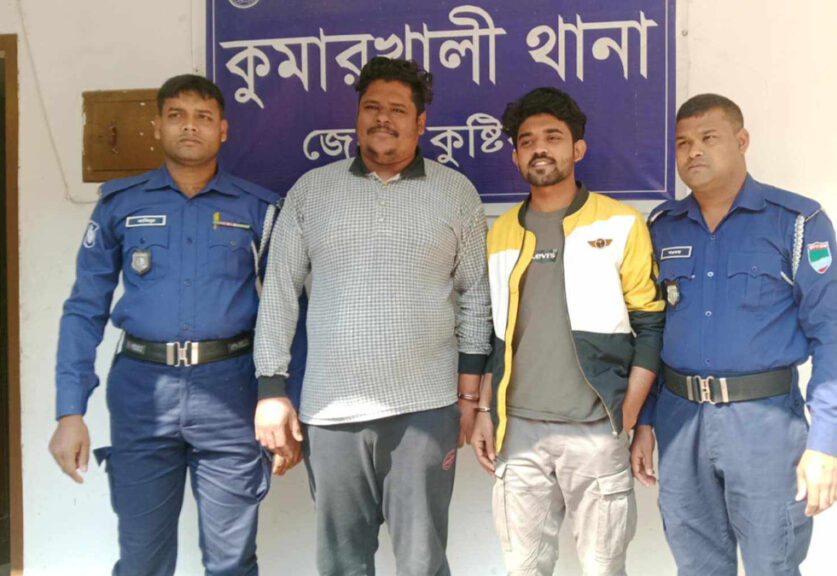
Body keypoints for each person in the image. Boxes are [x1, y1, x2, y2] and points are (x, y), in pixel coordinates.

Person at [47, 74, 297, 575]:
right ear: (157, 125)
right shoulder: (121, 203)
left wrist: (286, 398)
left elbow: (288, 309)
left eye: (203, 117)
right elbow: (84, 308)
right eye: (177, 116)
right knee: (142, 559)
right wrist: (69, 411)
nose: (190, 127)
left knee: (231, 562)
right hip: (143, 391)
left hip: (231, 391)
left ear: (222, 130)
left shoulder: (258, 208)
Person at [252, 56, 491, 576]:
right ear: (357, 115)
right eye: (372, 107)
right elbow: (279, 296)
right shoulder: (311, 191)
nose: (383, 118)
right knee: (342, 564)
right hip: (331, 413)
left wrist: (469, 399)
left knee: (423, 563)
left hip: (426, 410)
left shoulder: (456, 194)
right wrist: (271, 388)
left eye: (398, 110)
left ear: (420, 122)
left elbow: (476, 299)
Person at [631, 93, 837, 576]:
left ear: (741, 140)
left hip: (765, 425)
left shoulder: (797, 222)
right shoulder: (663, 227)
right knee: (696, 567)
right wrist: (645, 421)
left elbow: (832, 336)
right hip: (680, 422)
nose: (693, 151)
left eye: (708, 137)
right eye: (682, 142)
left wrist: (825, 443)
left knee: (772, 564)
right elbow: (652, 332)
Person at [471, 87, 664, 576]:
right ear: (515, 156)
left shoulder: (621, 222)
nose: (540, 148)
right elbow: (497, 335)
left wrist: (629, 412)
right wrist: (484, 412)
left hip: (595, 429)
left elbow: (650, 324)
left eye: (553, 137)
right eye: (527, 140)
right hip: (519, 433)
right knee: (524, 568)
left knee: (603, 568)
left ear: (578, 148)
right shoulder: (501, 232)